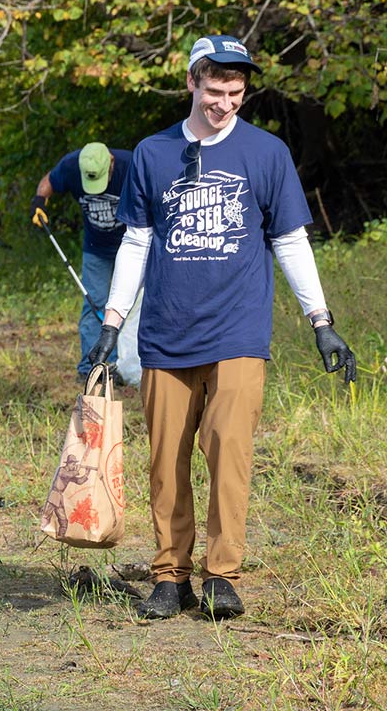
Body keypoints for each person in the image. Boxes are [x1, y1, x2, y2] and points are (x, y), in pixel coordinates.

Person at [87, 34, 357, 621]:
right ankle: (169, 575)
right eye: (214, 91)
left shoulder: (266, 154)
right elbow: (136, 241)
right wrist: (112, 323)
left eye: (235, 94)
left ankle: (223, 575)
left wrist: (321, 321)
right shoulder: (153, 154)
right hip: (165, 333)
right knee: (166, 459)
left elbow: (289, 240)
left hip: (238, 332)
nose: (225, 104)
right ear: (191, 83)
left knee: (228, 450)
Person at [30, 141, 133, 379]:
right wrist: (39, 202)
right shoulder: (70, 165)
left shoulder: (131, 166)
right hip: (96, 248)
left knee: (133, 308)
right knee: (94, 305)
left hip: (130, 247)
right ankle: (92, 370)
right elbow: (48, 181)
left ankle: (132, 366)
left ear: (111, 163)